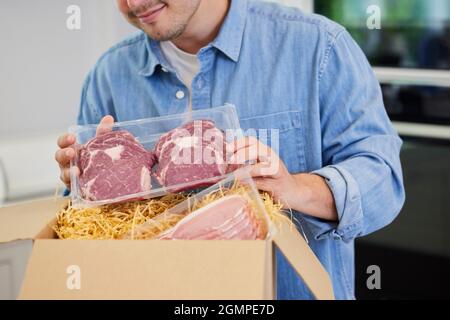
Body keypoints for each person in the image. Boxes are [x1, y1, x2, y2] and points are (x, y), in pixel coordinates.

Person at [54, 0, 405, 300]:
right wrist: (82, 182)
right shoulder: (108, 75)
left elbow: (383, 181)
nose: (133, 4)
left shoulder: (318, 46)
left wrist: (295, 189)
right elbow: (85, 219)